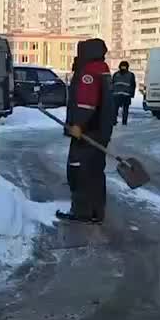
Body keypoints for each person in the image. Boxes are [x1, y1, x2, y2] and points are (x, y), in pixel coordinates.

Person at [57, 38, 115, 225]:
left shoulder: (89, 71)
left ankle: (82, 211)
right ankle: (97, 211)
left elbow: (86, 102)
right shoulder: (102, 68)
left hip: (87, 131)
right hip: (101, 130)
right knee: (96, 171)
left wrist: (78, 124)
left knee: (79, 169)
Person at [112, 61, 136, 126]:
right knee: (125, 110)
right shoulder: (131, 75)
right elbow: (133, 85)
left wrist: (112, 93)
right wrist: (132, 94)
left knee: (115, 110)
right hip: (126, 95)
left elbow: (112, 84)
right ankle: (124, 122)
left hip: (116, 95)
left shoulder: (116, 74)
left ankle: (114, 121)